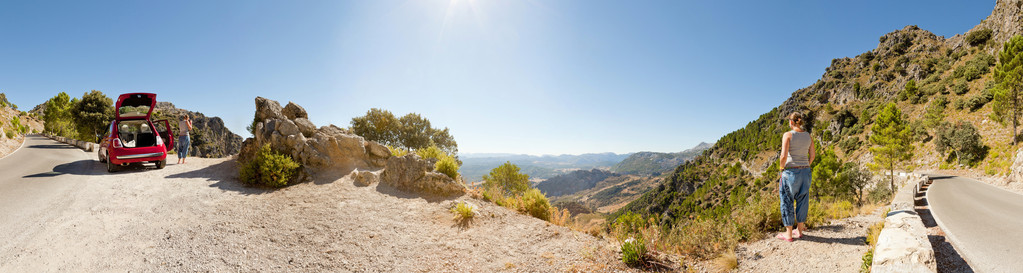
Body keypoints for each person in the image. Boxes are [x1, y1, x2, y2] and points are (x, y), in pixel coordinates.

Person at [777, 112, 814, 242]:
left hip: (791, 172)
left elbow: (783, 156)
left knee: (787, 200)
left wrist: (782, 169)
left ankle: (788, 234)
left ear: (791, 122)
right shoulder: (808, 136)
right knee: (803, 200)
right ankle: (799, 231)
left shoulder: (787, 135)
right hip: (806, 171)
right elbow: (812, 156)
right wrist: (805, 166)